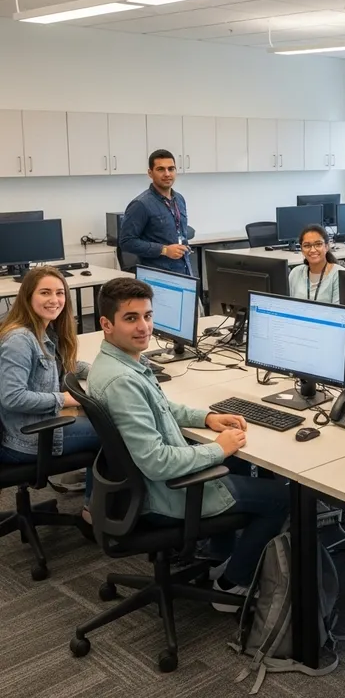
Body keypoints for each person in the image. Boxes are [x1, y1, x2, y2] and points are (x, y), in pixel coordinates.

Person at [87, 278, 288, 611]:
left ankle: (217, 555)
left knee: (237, 461)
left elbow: (161, 407)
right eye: (131, 318)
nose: (144, 327)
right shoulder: (122, 380)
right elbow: (156, 462)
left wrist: (207, 418)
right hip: (164, 494)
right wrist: (217, 448)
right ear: (106, 324)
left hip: (138, 487)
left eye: (148, 316)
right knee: (283, 498)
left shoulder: (118, 362)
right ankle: (231, 584)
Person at [0, 267, 99, 518]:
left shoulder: (43, 329)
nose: (54, 300)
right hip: (26, 438)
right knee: (114, 432)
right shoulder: (20, 339)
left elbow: (63, 363)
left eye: (59, 292)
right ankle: (95, 510)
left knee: (102, 419)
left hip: (29, 428)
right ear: (28, 297)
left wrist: (103, 370)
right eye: (45, 292)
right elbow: (12, 397)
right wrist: (65, 398)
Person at [119, 149, 193, 275]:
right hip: (157, 275)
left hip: (183, 270)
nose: (167, 174)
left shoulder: (179, 199)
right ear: (150, 173)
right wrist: (164, 250)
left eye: (171, 169)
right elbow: (126, 242)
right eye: (160, 169)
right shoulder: (141, 204)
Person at [288, 224, 343, 303]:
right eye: (307, 246)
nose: (313, 250)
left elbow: (339, 312)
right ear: (302, 249)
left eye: (318, 244)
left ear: (326, 246)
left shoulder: (338, 275)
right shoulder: (295, 273)